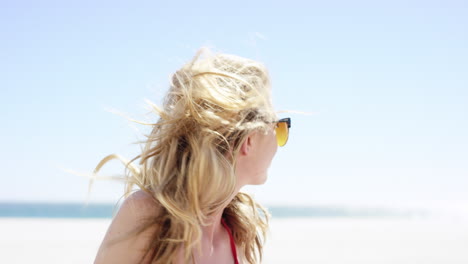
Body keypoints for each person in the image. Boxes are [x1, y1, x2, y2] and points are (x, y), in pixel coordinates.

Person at [92, 48, 291, 264]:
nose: (280, 142)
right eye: (280, 128)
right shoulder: (146, 214)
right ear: (249, 141)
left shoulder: (239, 232)